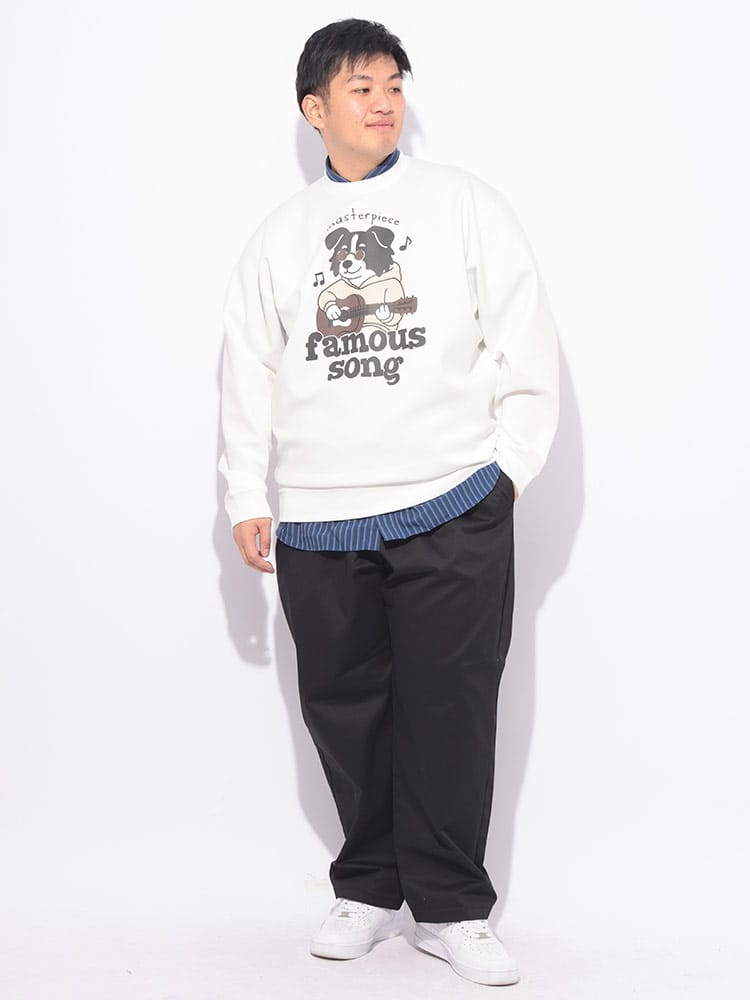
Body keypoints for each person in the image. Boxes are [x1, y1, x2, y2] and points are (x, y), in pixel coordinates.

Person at [218, 18, 559, 988]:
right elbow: (248, 373)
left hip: (451, 501)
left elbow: (525, 338)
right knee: (344, 708)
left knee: (452, 706)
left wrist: (505, 474)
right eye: (360, 87)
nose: (383, 101)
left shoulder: (463, 205)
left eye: (394, 84)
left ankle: (450, 904)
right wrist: (246, 493)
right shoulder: (279, 238)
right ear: (314, 108)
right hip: (317, 515)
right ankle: (368, 886)